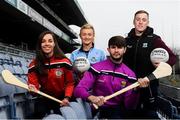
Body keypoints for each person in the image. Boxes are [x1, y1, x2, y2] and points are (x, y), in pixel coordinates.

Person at [123, 10, 177, 119]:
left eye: (144, 20)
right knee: (129, 114)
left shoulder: (155, 40)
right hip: (130, 86)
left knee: (149, 115)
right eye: (138, 19)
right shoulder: (126, 40)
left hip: (149, 87)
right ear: (134, 21)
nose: (140, 22)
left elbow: (172, 58)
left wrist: (162, 65)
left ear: (148, 22)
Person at [74, 36, 139, 119]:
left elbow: (129, 105)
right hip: (96, 108)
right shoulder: (96, 68)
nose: (116, 50)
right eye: (113, 47)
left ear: (125, 50)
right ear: (108, 49)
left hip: (116, 112)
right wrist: (92, 98)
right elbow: (78, 90)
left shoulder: (130, 75)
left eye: (119, 47)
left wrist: (135, 90)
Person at [27, 31, 74, 118]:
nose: (47, 44)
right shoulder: (33, 64)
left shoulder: (64, 61)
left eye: (50, 41)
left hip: (62, 98)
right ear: (40, 45)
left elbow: (70, 83)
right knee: (38, 113)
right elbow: (34, 86)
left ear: (54, 44)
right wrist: (33, 89)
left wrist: (67, 98)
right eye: (43, 41)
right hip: (44, 97)